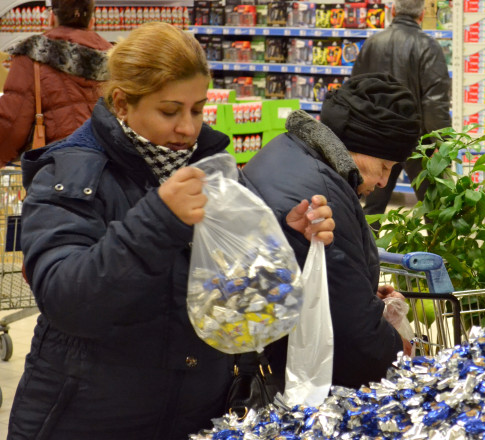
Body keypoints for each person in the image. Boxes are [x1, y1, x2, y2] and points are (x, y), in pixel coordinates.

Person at [8, 22, 334, 440]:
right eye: (170, 111)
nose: (188, 128)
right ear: (123, 103)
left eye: (198, 109)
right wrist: (159, 219)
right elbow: (67, 300)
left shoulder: (215, 172)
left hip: (194, 417)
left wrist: (289, 238)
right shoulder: (72, 174)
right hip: (88, 419)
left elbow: (240, 294)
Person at [241, 72, 420, 390]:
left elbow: (327, 284)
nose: (382, 182)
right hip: (281, 380)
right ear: (362, 147)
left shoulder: (287, 150)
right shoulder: (323, 194)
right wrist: (399, 354)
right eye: (386, 168)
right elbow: (352, 338)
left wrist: (363, 294)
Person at [351, 0, 451, 218]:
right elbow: (435, 104)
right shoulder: (429, 47)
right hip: (417, 142)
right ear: (422, 14)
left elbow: (355, 92)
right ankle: (433, 252)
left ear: (393, 11)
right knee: (433, 208)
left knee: (372, 208)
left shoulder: (372, 43)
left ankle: (368, 250)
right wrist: (443, 145)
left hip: (377, 141)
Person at [0, 0, 112, 167]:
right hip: (110, 169)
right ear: (91, 21)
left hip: (58, 170)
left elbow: (11, 126)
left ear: (52, 18)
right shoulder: (116, 60)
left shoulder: (33, 55)